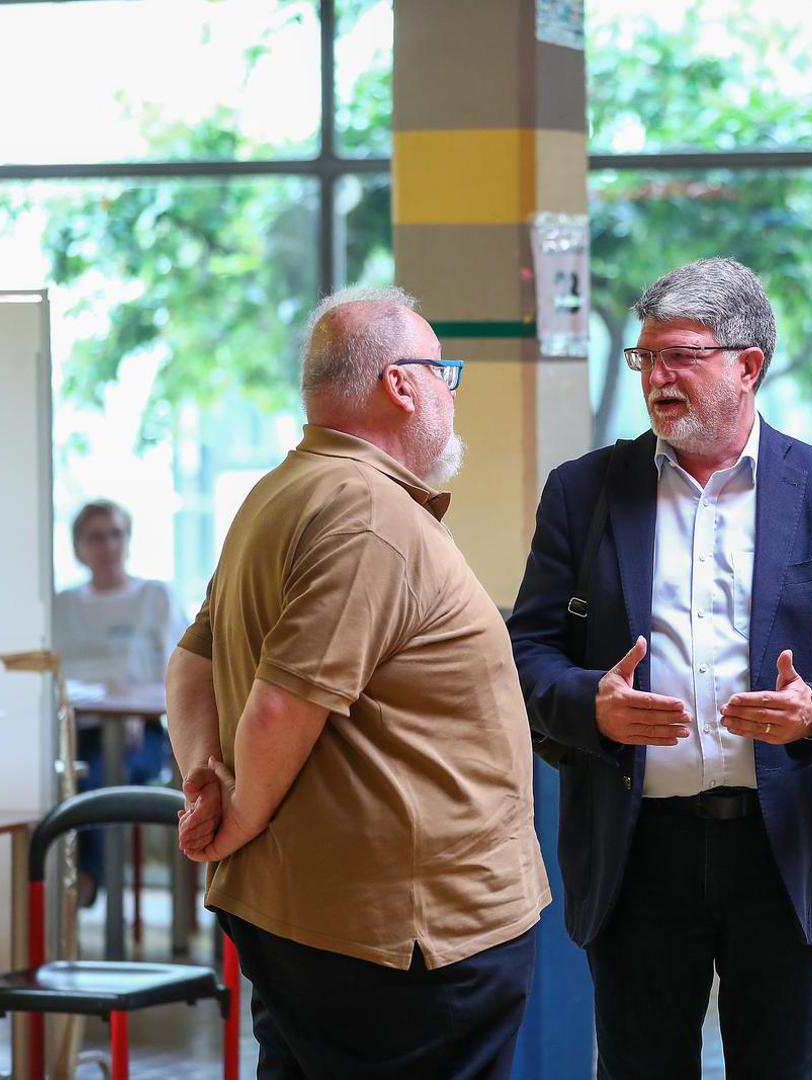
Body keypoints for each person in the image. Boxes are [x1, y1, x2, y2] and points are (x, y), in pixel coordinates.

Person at [509, 257, 812, 1079]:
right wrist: (590, 707)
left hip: (782, 854)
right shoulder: (583, 491)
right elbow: (525, 655)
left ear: (748, 365)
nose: (658, 377)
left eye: (681, 356)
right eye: (646, 358)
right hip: (635, 853)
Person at [167, 286, 549, 1079]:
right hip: (404, 941)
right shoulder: (369, 513)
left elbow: (192, 661)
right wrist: (232, 815)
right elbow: (282, 705)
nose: (450, 393)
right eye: (445, 372)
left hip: (324, 920)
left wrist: (205, 775)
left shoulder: (281, 492)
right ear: (402, 384)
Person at [52, 498, 184, 904]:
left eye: (116, 534)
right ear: (78, 547)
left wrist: (134, 705)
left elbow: (180, 673)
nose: (108, 545)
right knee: (68, 778)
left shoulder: (155, 597)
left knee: (98, 781)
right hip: (76, 732)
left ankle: (88, 881)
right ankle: (72, 889)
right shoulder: (61, 605)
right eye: (96, 536)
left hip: (138, 736)